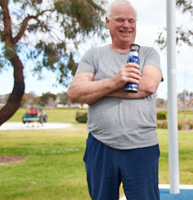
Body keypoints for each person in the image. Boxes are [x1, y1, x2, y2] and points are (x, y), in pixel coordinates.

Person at [67, 0, 163, 199]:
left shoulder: (148, 54)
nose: (126, 25)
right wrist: (117, 80)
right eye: (120, 20)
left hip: (142, 147)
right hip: (101, 146)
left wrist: (97, 89)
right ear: (107, 22)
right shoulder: (93, 55)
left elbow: (148, 86)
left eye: (131, 20)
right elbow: (75, 92)